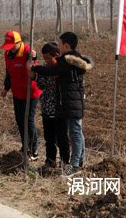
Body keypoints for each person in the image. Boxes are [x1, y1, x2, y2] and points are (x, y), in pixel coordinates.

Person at [28, 32, 93, 176]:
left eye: (61, 44)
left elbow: (52, 71)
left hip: (70, 102)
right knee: (76, 132)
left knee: (74, 133)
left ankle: (74, 165)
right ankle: (78, 161)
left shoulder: (67, 61)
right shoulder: (75, 61)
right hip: (72, 101)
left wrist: (34, 67)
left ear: (66, 45)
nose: (60, 47)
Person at [0, 30, 42, 160]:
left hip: (31, 92)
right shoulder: (7, 54)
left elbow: (34, 64)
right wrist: (6, 88)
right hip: (17, 91)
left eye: (12, 45)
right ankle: (25, 146)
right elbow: (9, 72)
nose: (10, 48)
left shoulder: (28, 52)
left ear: (19, 43)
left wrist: (34, 57)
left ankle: (33, 150)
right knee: (19, 120)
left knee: (28, 120)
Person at [34, 42, 67, 170]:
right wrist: (35, 77)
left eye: (48, 58)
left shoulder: (62, 68)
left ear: (56, 55)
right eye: (45, 59)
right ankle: (50, 162)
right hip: (47, 109)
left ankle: (65, 165)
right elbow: (41, 85)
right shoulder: (44, 68)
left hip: (59, 110)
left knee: (62, 140)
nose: (46, 61)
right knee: (49, 139)